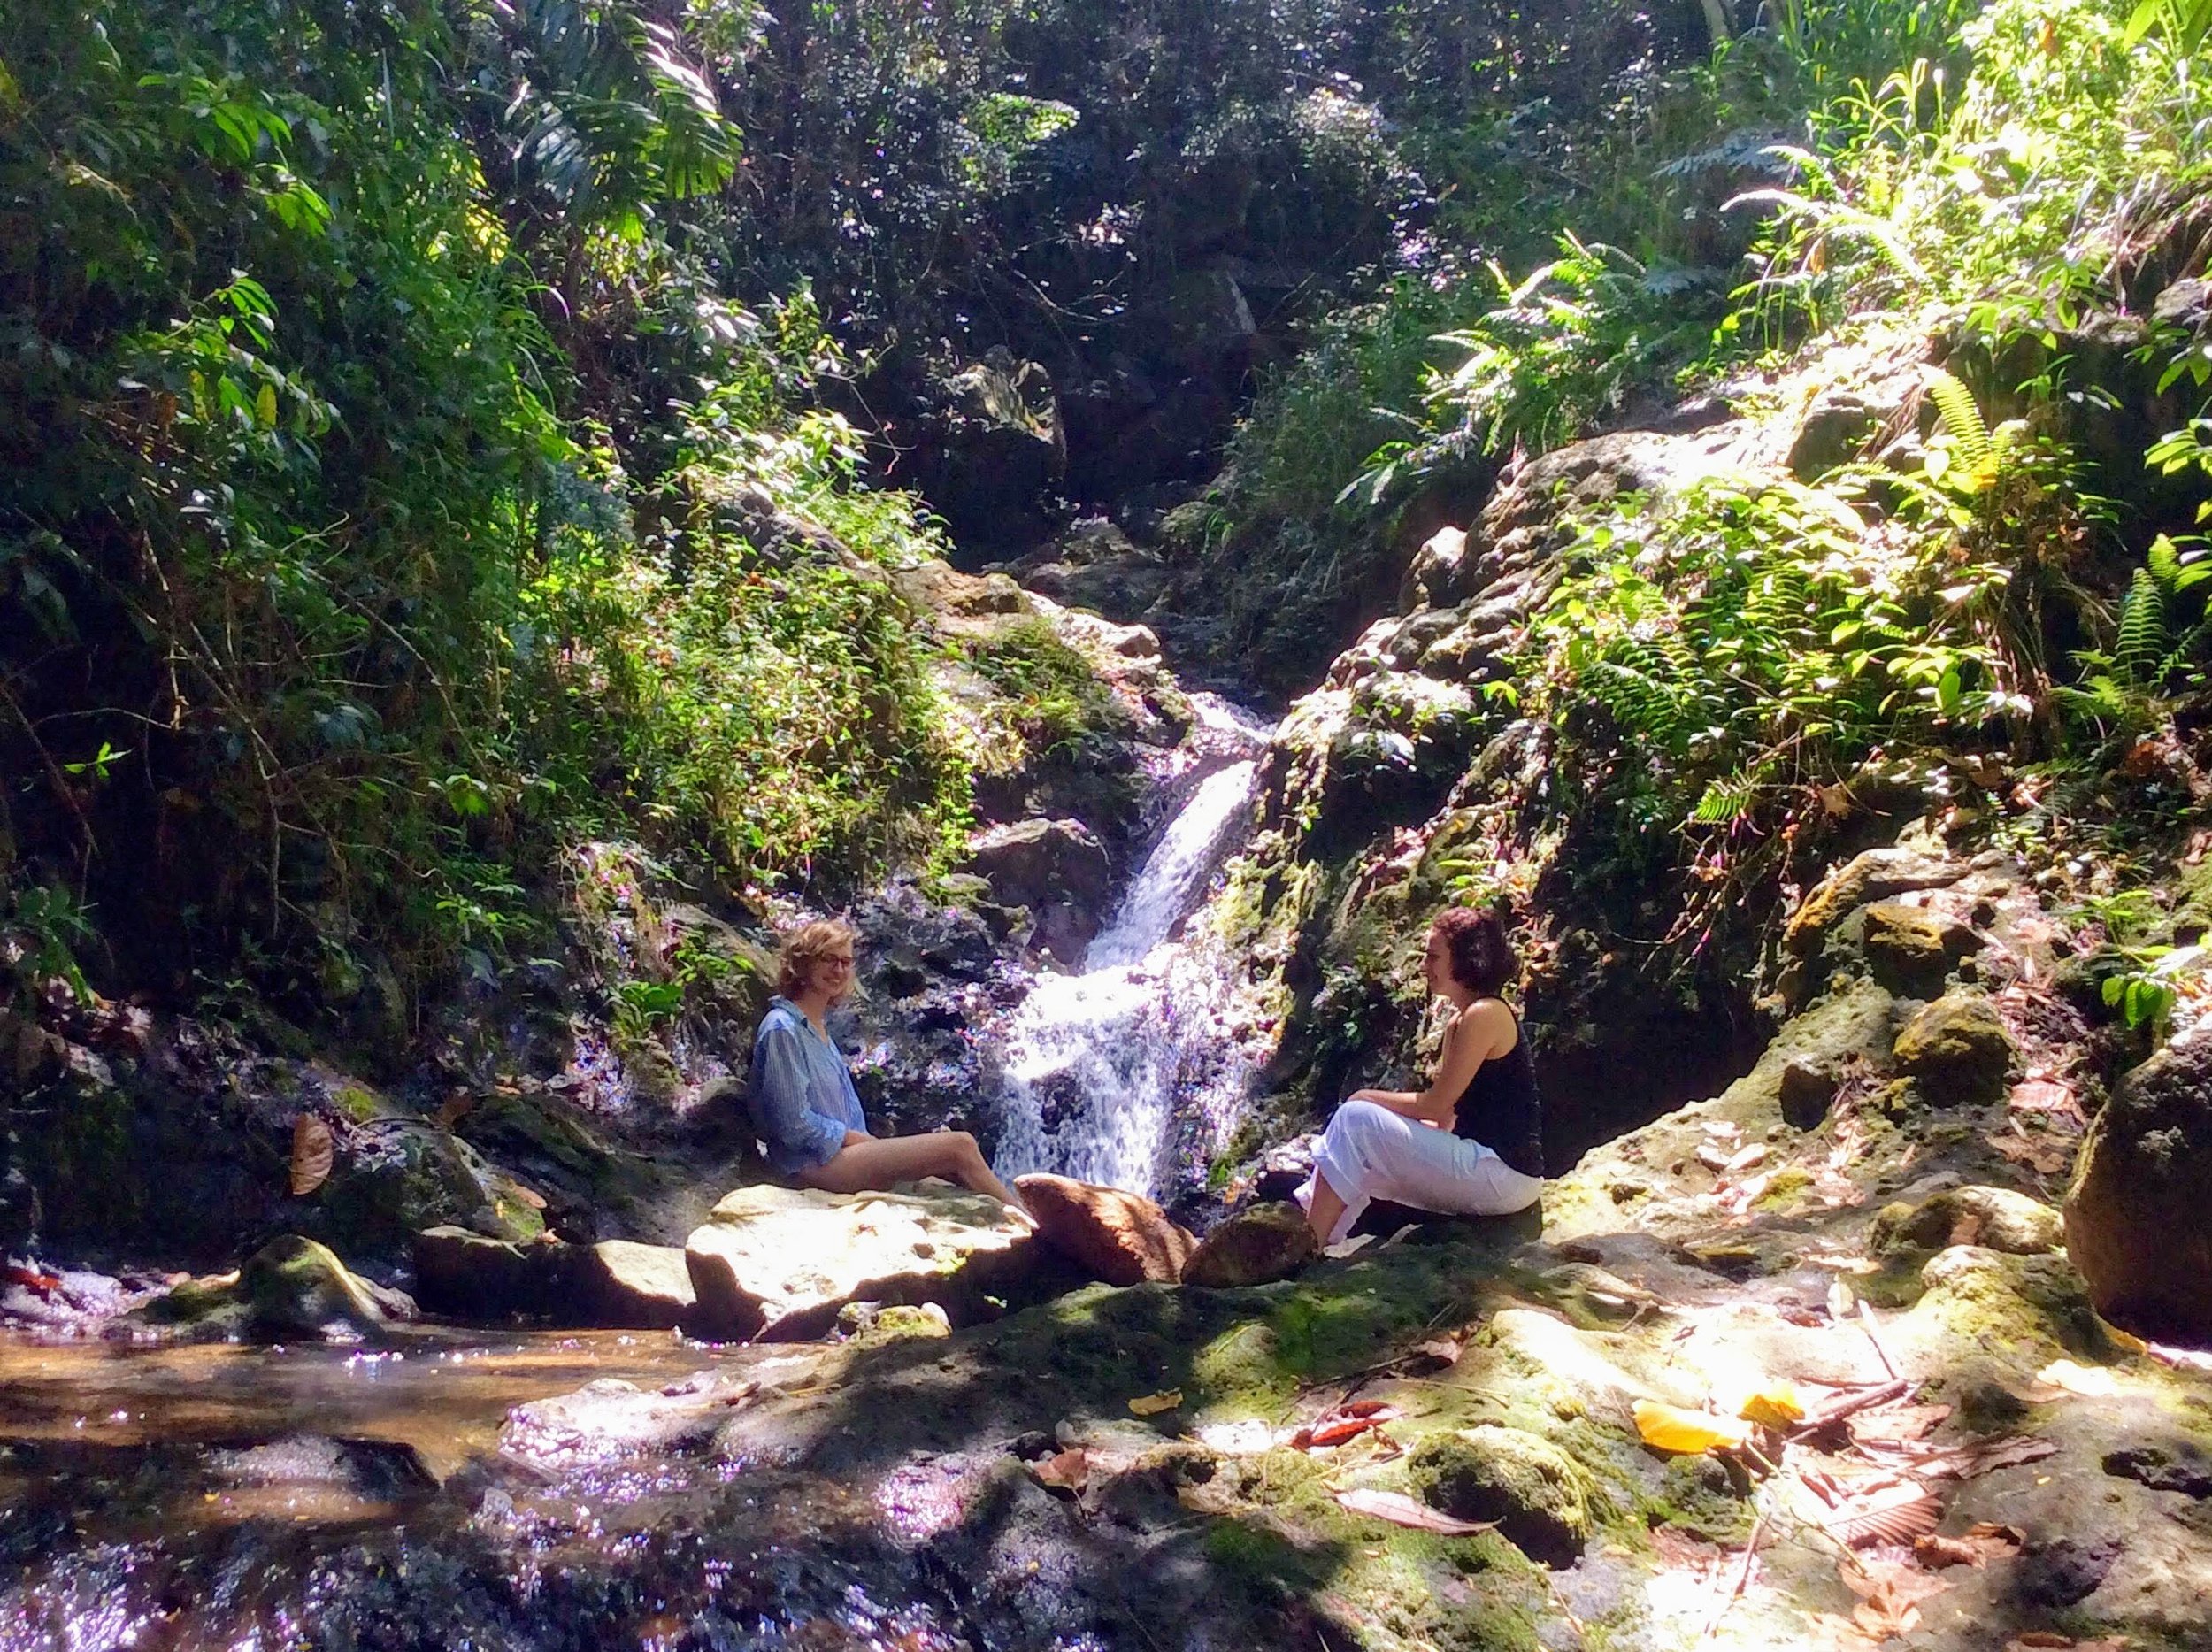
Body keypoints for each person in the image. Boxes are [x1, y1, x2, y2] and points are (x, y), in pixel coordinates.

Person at [1297, 906, 1543, 1246]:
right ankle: (1311, 1243)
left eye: (1433, 957)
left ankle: (1308, 1246)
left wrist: (1363, 1097)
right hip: (1483, 1166)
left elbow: (1433, 1105)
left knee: (1355, 1118)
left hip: (1503, 1173)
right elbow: (1446, 1117)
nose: (1424, 967)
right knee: (1358, 1144)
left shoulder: (1487, 1013)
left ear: (1465, 960)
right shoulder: (1459, 1023)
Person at [749, 918, 1027, 1212]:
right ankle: (1034, 1228)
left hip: (839, 1157)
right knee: (960, 1146)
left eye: (846, 961)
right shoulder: (783, 1028)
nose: (839, 970)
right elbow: (792, 1125)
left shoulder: (818, 1029)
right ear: (802, 964)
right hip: (812, 1165)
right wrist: (853, 1138)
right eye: (828, 959)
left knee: (943, 1182)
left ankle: (1021, 1224)